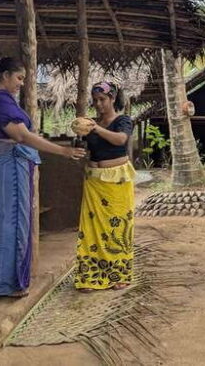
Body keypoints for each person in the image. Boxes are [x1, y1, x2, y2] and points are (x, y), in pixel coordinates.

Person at [0, 57, 85, 297]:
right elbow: (20, 135)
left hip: (0, 166)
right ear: (5, 76)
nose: (22, 83)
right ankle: (3, 283)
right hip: (4, 170)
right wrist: (63, 150)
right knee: (7, 221)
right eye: (19, 78)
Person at [74, 82, 135, 292]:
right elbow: (87, 149)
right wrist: (80, 142)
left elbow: (120, 140)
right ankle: (90, 277)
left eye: (102, 100)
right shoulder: (90, 125)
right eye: (95, 100)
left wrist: (95, 128)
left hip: (117, 182)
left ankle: (118, 275)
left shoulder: (122, 121)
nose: (98, 104)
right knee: (92, 230)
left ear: (112, 99)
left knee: (116, 229)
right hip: (94, 181)